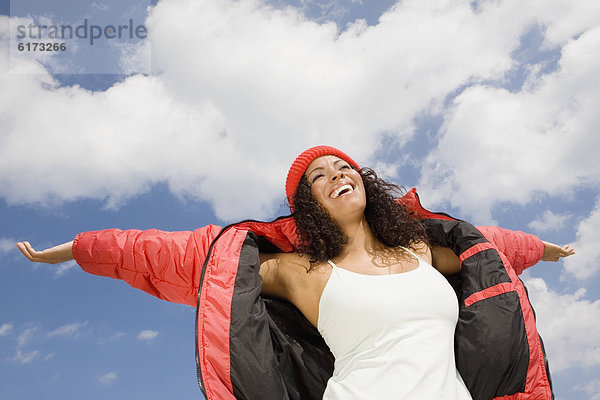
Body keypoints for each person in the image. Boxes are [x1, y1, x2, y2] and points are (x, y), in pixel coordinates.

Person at [17, 145, 574, 400]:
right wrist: (69, 249)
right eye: (318, 178)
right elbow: (170, 253)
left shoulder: (424, 252)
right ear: (307, 207)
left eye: (343, 166)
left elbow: (491, 249)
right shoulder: (299, 271)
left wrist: (545, 250)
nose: (336, 174)